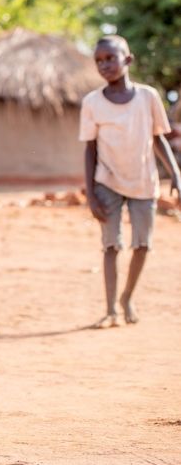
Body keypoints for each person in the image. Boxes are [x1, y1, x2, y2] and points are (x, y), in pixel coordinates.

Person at [80, 34, 180, 328]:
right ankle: (111, 309)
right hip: (107, 181)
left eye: (110, 58)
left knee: (143, 244)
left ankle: (127, 297)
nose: (105, 65)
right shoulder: (92, 103)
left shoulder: (148, 97)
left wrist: (175, 172)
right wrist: (91, 194)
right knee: (111, 245)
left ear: (128, 59)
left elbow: (158, 137)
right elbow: (90, 149)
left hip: (143, 181)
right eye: (99, 60)